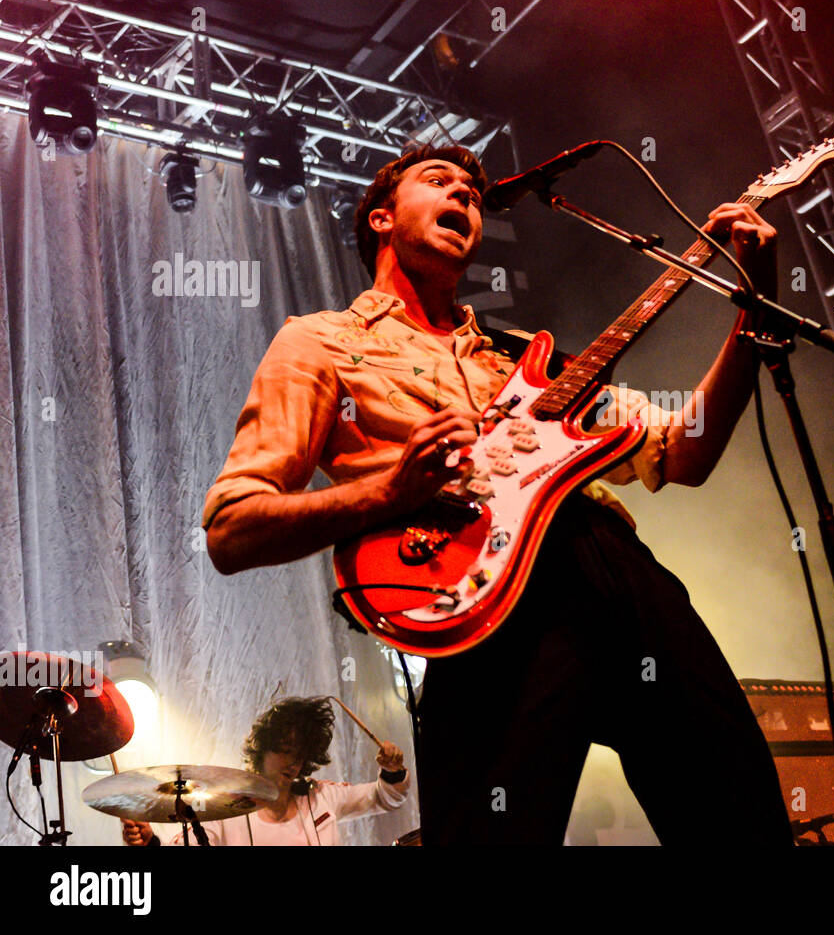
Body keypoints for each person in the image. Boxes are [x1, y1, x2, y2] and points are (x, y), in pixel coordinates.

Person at [201, 143, 793, 844]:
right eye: (439, 181)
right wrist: (389, 491)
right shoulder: (318, 343)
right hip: (484, 600)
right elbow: (232, 528)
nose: (464, 197)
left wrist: (752, 311)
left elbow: (685, 451)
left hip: (617, 570)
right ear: (382, 218)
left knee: (740, 809)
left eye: (475, 194)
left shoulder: (523, 357)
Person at [121, 696, 409, 845]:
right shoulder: (224, 811)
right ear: (262, 749)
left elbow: (384, 798)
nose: (293, 762)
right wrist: (150, 844)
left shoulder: (321, 796)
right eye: (284, 750)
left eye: (300, 754)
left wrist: (393, 771)